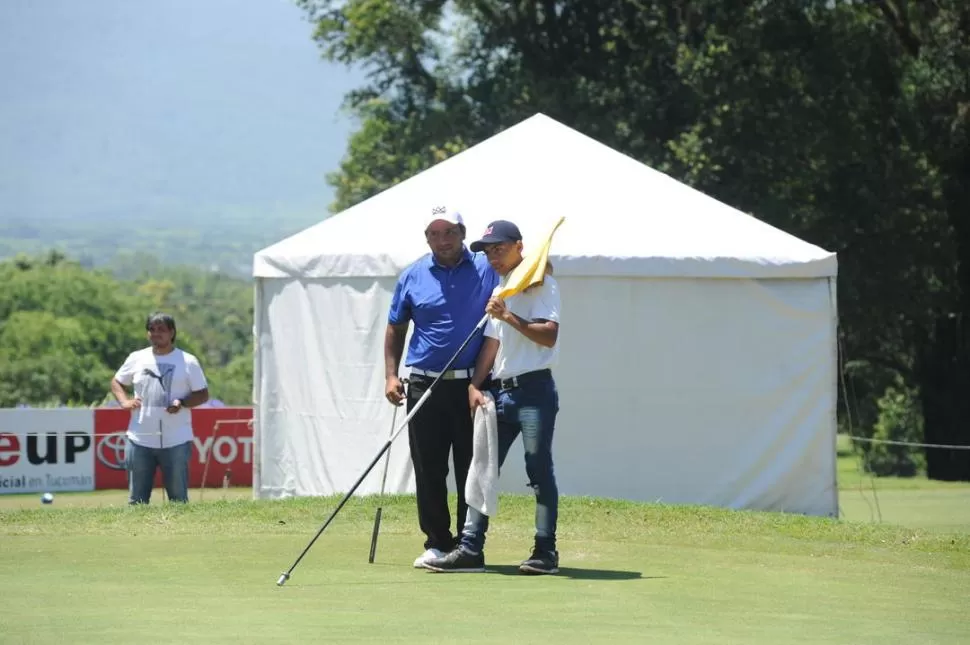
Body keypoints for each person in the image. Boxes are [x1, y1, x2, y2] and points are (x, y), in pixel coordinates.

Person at [424, 220, 562, 575]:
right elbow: (492, 342)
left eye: (499, 249)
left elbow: (548, 336)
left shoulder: (540, 284)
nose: (493, 257)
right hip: (498, 393)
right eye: (488, 252)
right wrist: (476, 383)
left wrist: (509, 315)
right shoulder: (502, 286)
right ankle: (471, 547)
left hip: (533, 391)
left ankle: (545, 551)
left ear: (519, 246)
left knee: (538, 470)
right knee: (481, 468)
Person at [385, 207, 500, 568]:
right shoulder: (413, 275)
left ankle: (468, 545)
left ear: (463, 232)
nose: (442, 240)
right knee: (429, 466)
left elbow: (531, 271)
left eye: (449, 232)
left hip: (472, 384)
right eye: (434, 234)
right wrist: (391, 375)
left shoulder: (486, 266)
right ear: (426, 238)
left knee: (472, 466)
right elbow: (396, 328)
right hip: (424, 384)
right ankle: (437, 542)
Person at [110, 312, 209, 505]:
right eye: (151, 330)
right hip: (139, 438)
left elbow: (203, 394)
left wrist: (182, 403)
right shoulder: (137, 358)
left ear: (172, 333)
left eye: (161, 330)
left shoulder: (188, 361)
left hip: (176, 439)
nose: (156, 334)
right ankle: (136, 535)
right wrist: (124, 401)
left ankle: (179, 534)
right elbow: (117, 381)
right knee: (136, 501)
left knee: (178, 500)